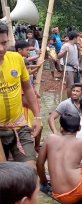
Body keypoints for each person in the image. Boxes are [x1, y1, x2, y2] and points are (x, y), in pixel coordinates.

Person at [0, 24, 41, 167]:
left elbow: (28, 88)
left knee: (30, 172)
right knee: (4, 177)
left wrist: (37, 117)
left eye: (4, 43)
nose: (1, 48)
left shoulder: (16, 58)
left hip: (19, 126)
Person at [58, 31, 80, 98]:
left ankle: (75, 99)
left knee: (76, 85)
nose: (78, 40)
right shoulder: (65, 45)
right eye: (77, 38)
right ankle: (69, 100)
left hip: (76, 68)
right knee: (70, 86)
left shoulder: (75, 46)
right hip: (69, 69)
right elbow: (58, 56)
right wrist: (65, 51)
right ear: (74, 38)